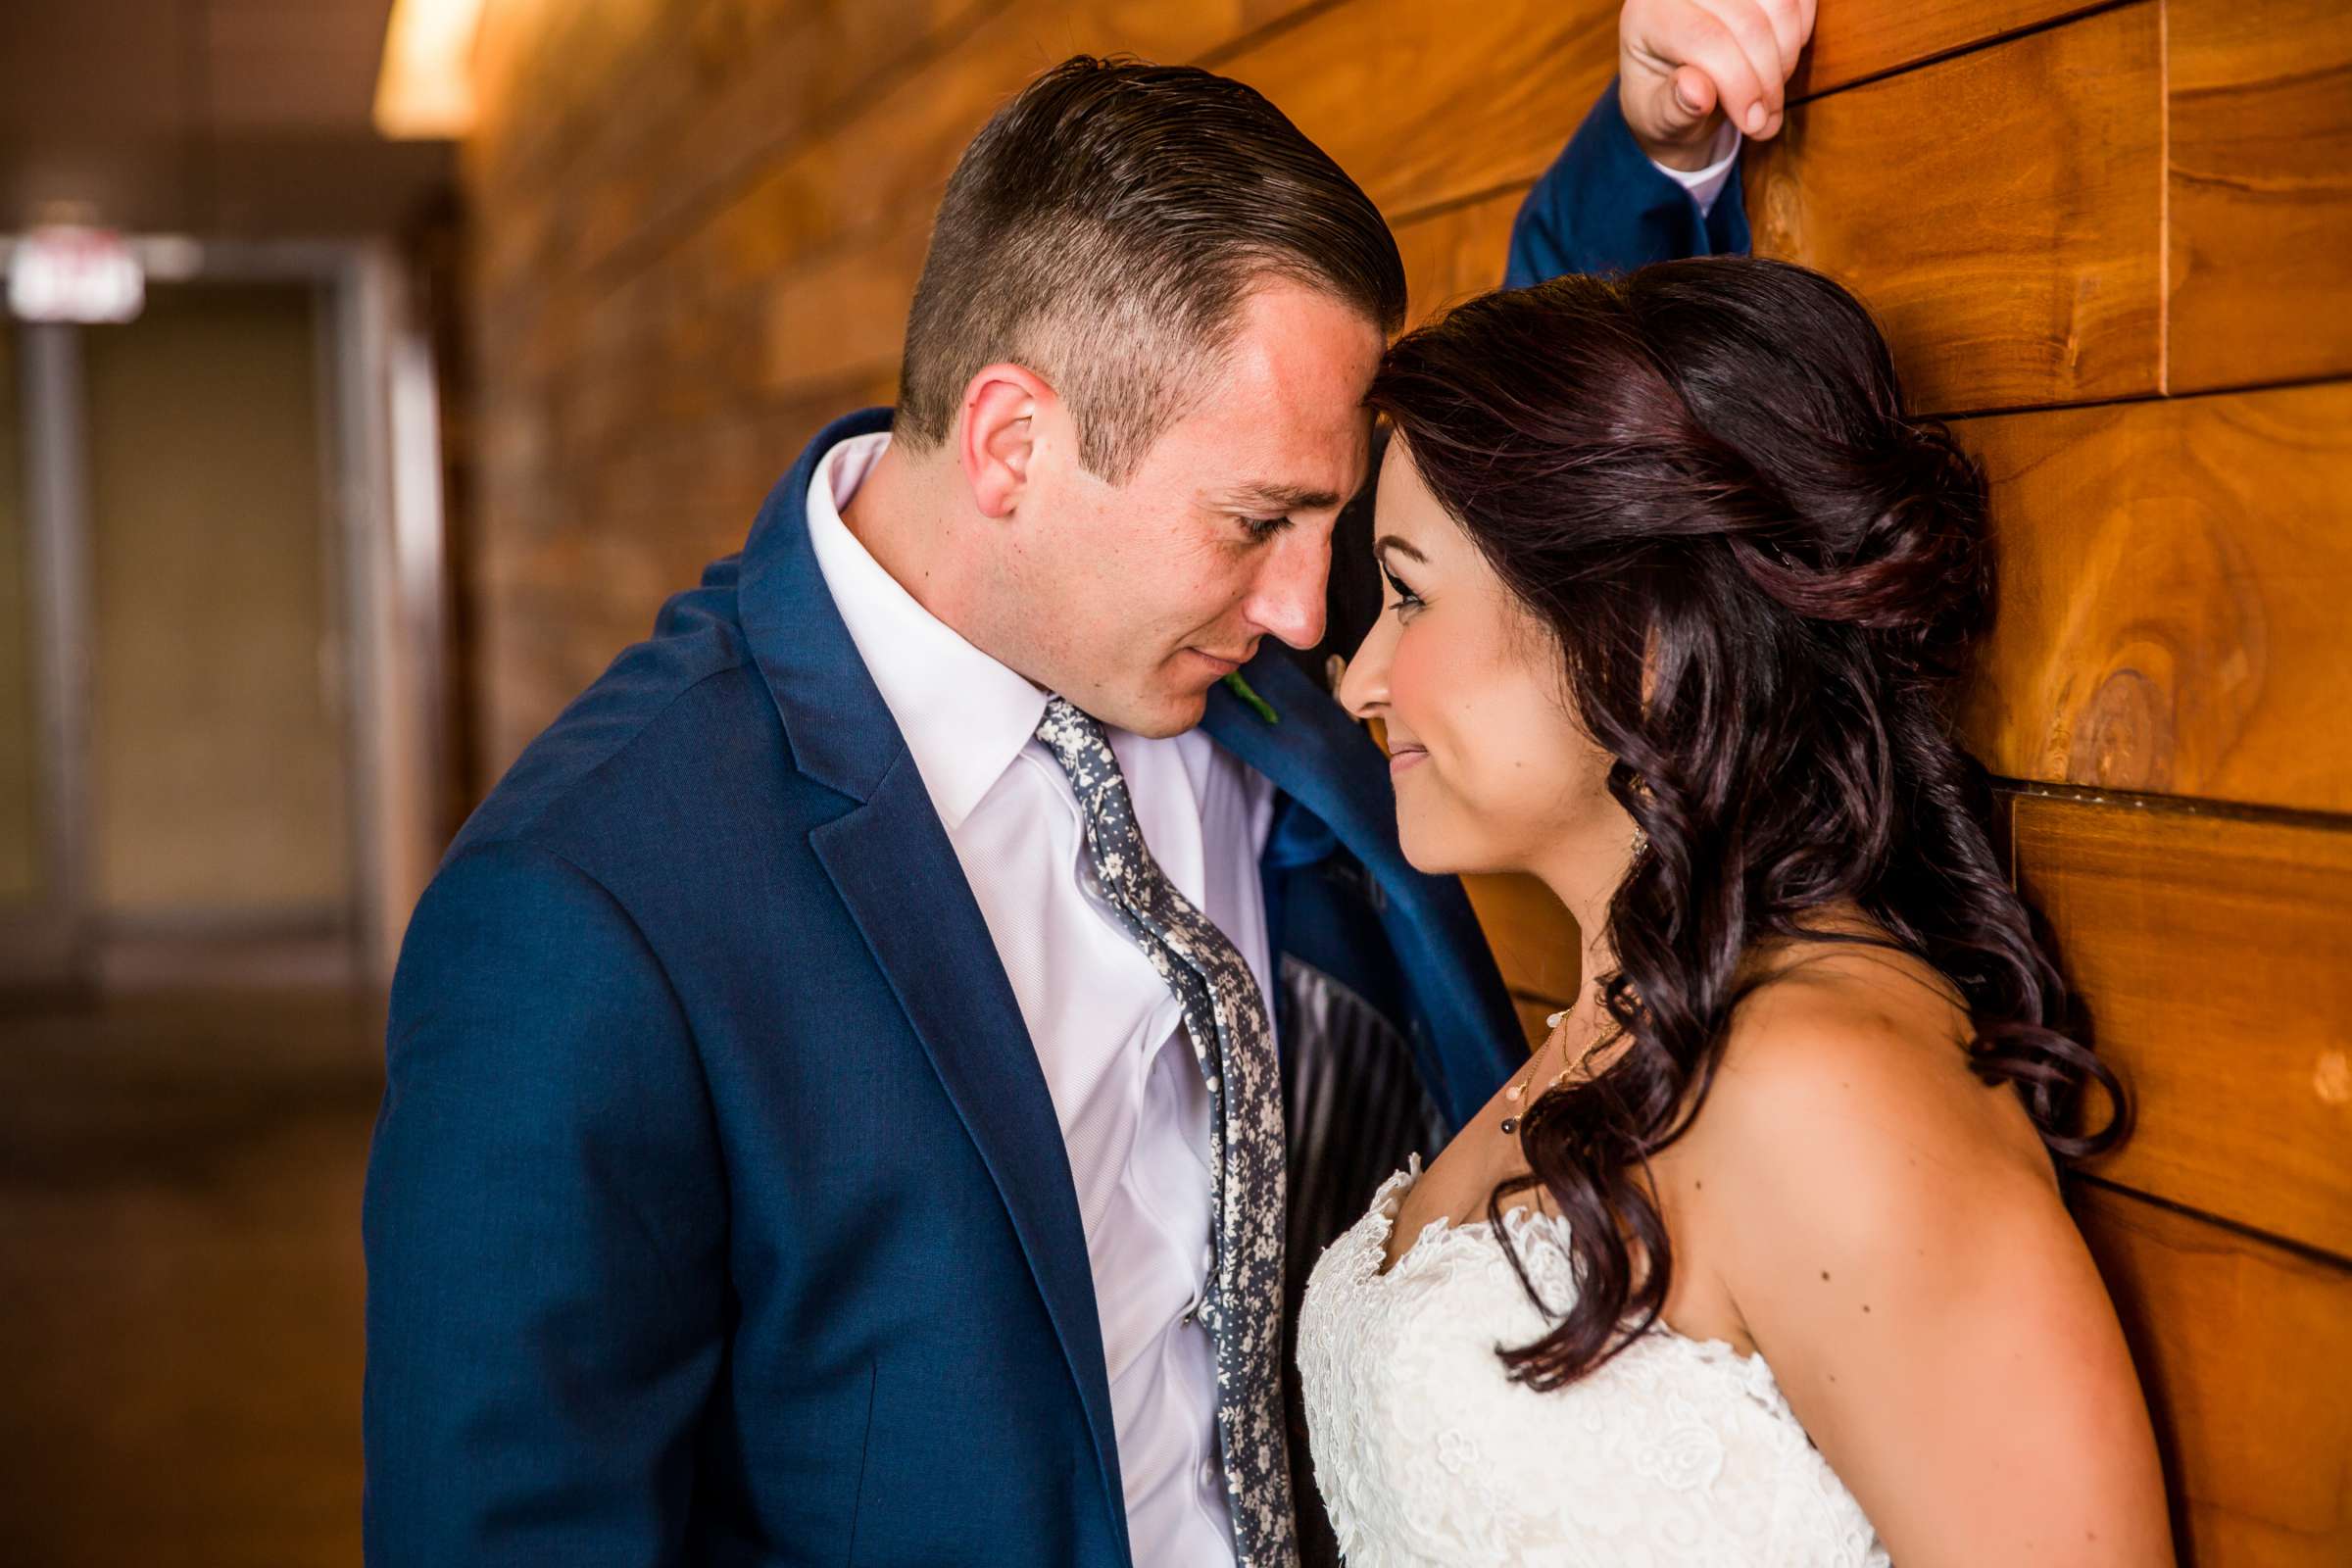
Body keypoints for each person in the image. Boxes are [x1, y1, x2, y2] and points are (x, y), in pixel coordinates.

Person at [361, 4, 1805, 1562]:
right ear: (1011, 445)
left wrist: (1667, 142)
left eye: (1333, 530)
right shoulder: (586, 912)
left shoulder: (1210, 628)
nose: (1317, 618)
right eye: (1258, 522)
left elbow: (1505, 509)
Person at [1299, 258, 2174, 1562]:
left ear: (1634, 634)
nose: (1360, 675)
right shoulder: (1603, 1028)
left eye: (1410, 593)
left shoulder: (1827, 1091)